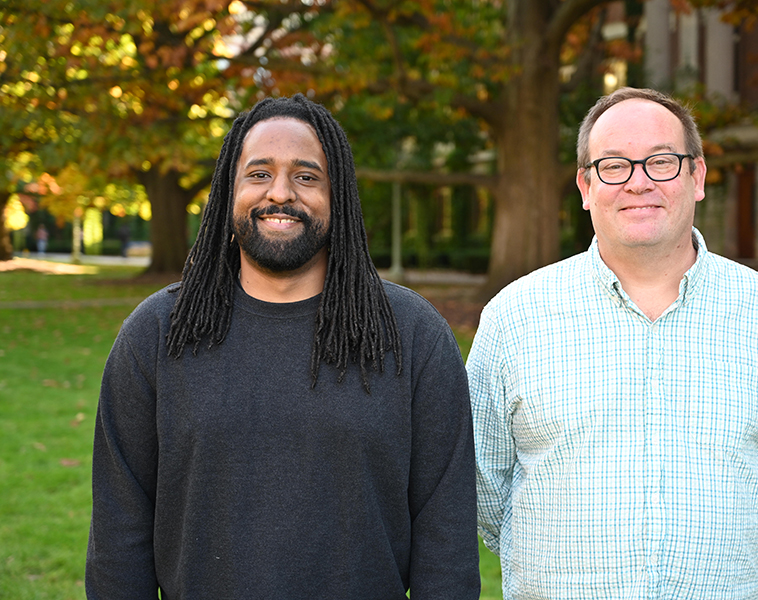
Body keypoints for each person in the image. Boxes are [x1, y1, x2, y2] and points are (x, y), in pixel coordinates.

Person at [86, 94, 480, 599]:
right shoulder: (158, 333)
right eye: (259, 173)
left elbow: (446, 547)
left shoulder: (412, 336)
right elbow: (119, 540)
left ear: (338, 195)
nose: (280, 192)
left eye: (306, 176)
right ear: (228, 191)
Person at [467, 87, 758, 599]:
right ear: (586, 186)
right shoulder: (514, 316)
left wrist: (747, 568)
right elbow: (482, 472)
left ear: (697, 177)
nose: (639, 182)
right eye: (614, 166)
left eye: (661, 162)